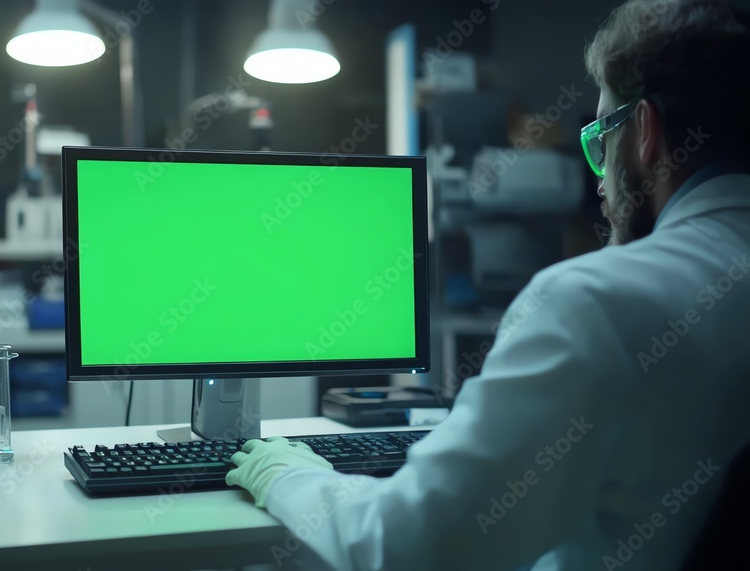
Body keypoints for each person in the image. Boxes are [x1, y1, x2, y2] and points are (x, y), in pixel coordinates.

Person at [226, 1, 750, 569]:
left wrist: (290, 475)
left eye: (601, 141)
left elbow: (402, 548)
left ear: (645, 132)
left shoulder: (596, 302)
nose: (600, 185)